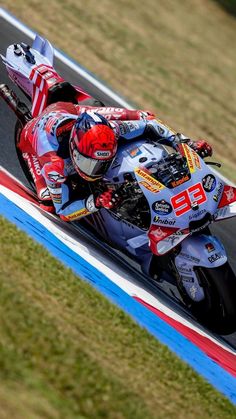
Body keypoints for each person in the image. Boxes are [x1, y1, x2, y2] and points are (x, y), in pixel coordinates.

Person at [17, 100, 213, 221]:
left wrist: (185, 144)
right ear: (75, 152)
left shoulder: (113, 129)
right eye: (92, 164)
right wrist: (96, 202)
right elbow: (64, 211)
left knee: (142, 115)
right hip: (32, 138)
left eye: (103, 163)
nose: (98, 170)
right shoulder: (55, 163)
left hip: (71, 111)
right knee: (48, 203)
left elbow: (150, 125)